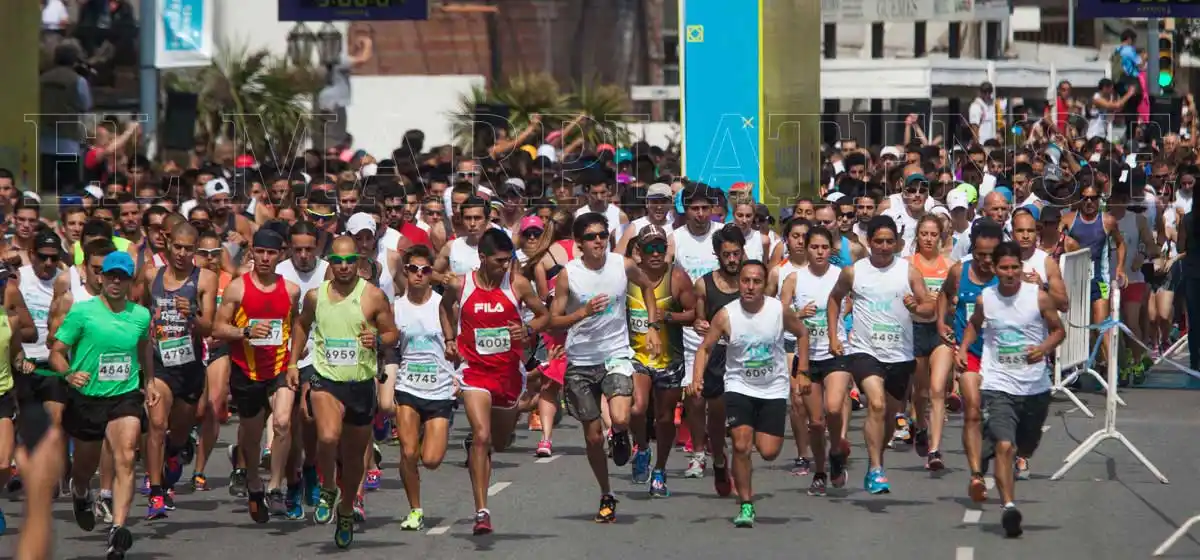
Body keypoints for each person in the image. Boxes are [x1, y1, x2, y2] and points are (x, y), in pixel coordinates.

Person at [550, 212, 663, 523]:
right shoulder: (568, 275)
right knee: (592, 438)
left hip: (616, 354)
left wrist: (652, 326)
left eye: (602, 235)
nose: (598, 241)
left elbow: (648, 287)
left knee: (622, 416)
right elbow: (553, 319)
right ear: (579, 244)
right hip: (581, 361)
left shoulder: (622, 265)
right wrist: (582, 313)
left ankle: (622, 435)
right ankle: (606, 492)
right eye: (591, 237)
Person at [288, 235, 398, 549]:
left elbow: (392, 333)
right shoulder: (314, 296)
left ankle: (347, 509)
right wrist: (293, 363)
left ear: (358, 263)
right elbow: (301, 325)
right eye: (338, 261)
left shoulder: (373, 296)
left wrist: (376, 338)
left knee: (353, 461)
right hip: (325, 378)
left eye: (351, 261)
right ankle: (326, 488)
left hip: (361, 384)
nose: (345, 267)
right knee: (326, 436)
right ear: (330, 263)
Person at [441, 228, 550, 535]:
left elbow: (545, 316)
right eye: (500, 260)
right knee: (480, 434)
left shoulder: (517, 284)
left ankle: (491, 439)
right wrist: (450, 339)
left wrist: (528, 331)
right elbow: (443, 307)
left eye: (508, 260)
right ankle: (481, 511)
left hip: (508, 375)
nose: (505, 265)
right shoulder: (461, 285)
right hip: (474, 371)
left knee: (498, 442)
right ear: (483, 258)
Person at [956, 241, 1064, 538]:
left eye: (1014, 267)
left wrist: (1043, 348)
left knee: (1024, 446)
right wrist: (964, 348)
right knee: (1006, 446)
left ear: (1022, 268)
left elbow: (1059, 331)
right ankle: (1009, 507)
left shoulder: (1038, 298)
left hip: (1034, 386)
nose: (1009, 273)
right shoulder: (986, 298)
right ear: (995, 268)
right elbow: (974, 325)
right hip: (998, 383)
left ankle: (996, 448)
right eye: (1003, 267)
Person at [50, 251, 154, 560]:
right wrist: (69, 374)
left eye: (122, 277)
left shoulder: (140, 315)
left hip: (125, 395)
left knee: (125, 454)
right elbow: (57, 351)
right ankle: (81, 491)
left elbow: (145, 347)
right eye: (110, 275)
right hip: (87, 399)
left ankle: (118, 529)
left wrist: (149, 382)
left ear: (130, 282)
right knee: (85, 465)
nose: (116, 281)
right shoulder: (82, 312)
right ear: (100, 277)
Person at [692, 258, 809, 527]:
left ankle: (753, 429)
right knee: (742, 445)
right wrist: (697, 378)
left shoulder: (778, 310)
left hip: (773, 387)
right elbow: (705, 348)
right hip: (739, 386)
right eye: (746, 281)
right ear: (739, 284)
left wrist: (802, 371)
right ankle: (746, 503)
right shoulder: (726, 314)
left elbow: (802, 333)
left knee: (768, 452)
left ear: (764, 284)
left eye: (757, 281)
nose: (751, 286)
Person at [826, 215, 934, 494]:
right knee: (875, 404)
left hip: (899, 355)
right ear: (869, 242)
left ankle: (879, 459)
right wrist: (834, 335)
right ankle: (875, 469)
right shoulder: (854, 272)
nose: (884, 247)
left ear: (897, 242)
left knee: (888, 418)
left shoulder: (908, 272)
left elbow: (928, 308)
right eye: (878, 241)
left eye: (889, 241)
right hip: (864, 350)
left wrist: (915, 308)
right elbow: (834, 299)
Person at [212, 229, 302, 523]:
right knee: (251, 438)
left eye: (271, 253)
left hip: (278, 368)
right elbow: (218, 328)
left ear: (281, 254)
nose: (265, 258)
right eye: (260, 252)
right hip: (247, 370)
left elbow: (298, 328)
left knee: (283, 422)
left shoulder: (290, 290)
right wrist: (246, 332)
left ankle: (276, 486)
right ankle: (253, 481)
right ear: (252, 252)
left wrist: (293, 362)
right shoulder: (237, 288)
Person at [139, 222, 217, 519]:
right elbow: (139, 311)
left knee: (181, 431)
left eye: (189, 249)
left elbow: (208, 327)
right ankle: (156, 492)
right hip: (160, 364)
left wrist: (192, 313)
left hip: (190, 367)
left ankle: (173, 454)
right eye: (178, 247)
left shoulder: (205, 279)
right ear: (168, 244)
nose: (183, 254)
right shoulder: (150, 274)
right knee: (157, 423)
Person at [387, 245, 455, 530]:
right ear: (406, 272)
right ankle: (415, 509)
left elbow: (459, 345)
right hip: (408, 387)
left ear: (432, 274)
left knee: (431, 460)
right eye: (413, 269)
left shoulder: (443, 305)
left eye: (425, 270)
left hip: (439, 389)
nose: (419, 275)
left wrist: (459, 376)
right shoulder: (395, 307)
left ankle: (424, 446)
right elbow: (389, 348)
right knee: (408, 452)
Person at [778, 226, 846, 496]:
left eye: (824, 247)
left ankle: (838, 449)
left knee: (833, 408)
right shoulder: (794, 278)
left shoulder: (841, 275)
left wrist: (840, 313)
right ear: (805, 248)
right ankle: (820, 470)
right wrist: (798, 313)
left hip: (836, 351)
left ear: (831, 249)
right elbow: (779, 311)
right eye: (814, 247)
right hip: (805, 355)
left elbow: (850, 303)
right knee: (816, 422)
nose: (819, 252)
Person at [938, 220, 1003, 497]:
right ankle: (976, 474)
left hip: (1002, 356)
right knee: (972, 410)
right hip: (970, 353)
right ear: (972, 251)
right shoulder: (958, 272)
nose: (986, 261)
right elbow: (944, 295)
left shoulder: (1010, 275)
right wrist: (942, 323)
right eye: (980, 255)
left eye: (992, 255)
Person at [625, 224, 688, 494]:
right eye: (649, 248)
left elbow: (695, 314)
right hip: (635, 356)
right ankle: (641, 448)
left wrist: (669, 317)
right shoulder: (626, 277)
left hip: (669, 359)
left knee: (664, 419)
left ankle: (660, 469)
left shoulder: (676, 278)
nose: (655, 253)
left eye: (660, 248)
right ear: (639, 251)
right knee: (638, 408)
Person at [691, 224, 749, 497]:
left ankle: (740, 473)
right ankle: (717, 461)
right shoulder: (704, 284)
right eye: (726, 255)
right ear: (717, 254)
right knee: (716, 416)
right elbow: (697, 319)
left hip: (747, 358)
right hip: (717, 357)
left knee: (741, 422)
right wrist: (699, 324)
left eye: (736, 254)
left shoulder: (753, 282)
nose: (733, 260)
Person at [274, 220, 329, 509]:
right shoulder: (279, 272)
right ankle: (292, 481)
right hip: (282, 357)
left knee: (308, 418)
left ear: (318, 247)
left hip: (317, 356)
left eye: (309, 249)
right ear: (289, 248)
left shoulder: (329, 271)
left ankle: (310, 467)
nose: (304, 255)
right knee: (285, 424)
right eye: (298, 249)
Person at [671, 185, 720, 479]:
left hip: (725, 331)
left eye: (705, 208)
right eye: (694, 208)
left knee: (719, 400)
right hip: (691, 332)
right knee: (695, 395)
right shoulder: (674, 239)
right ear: (685, 210)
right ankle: (698, 453)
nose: (700, 215)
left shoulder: (723, 234)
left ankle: (717, 445)